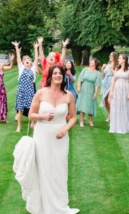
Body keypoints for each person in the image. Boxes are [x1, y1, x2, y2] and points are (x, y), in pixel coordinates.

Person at [27, 65, 79, 214]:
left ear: (63, 76)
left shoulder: (68, 95)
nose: (57, 76)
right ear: (50, 76)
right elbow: (31, 114)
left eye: (60, 74)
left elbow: (73, 117)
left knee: (59, 170)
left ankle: (60, 206)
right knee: (44, 169)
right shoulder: (41, 93)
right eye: (54, 73)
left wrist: (65, 128)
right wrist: (42, 116)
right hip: (42, 134)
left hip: (60, 137)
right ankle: (44, 206)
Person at [12, 41, 39, 132]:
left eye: (28, 59)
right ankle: (18, 127)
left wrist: (36, 48)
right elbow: (18, 57)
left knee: (32, 109)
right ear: (23, 62)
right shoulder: (21, 68)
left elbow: (36, 59)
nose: (27, 60)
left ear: (30, 62)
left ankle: (32, 123)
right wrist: (16, 47)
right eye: (25, 60)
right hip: (21, 92)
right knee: (20, 110)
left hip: (30, 92)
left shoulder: (33, 69)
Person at [109, 54, 129, 134]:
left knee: (123, 106)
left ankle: (124, 126)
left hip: (124, 90)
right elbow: (113, 80)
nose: (118, 59)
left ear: (124, 60)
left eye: (120, 58)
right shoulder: (117, 68)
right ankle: (116, 126)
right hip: (117, 90)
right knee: (116, 107)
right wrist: (111, 91)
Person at [77, 58, 102, 127]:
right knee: (82, 104)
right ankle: (81, 121)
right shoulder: (85, 69)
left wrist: (96, 93)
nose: (90, 62)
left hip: (91, 89)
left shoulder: (97, 73)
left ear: (95, 63)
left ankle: (90, 121)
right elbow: (80, 79)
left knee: (90, 105)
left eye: (92, 61)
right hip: (83, 89)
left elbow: (97, 84)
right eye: (90, 61)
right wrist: (79, 87)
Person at [99, 52, 118, 122]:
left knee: (110, 100)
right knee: (105, 100)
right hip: (106, 83)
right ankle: (110, 115)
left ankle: (113, 116)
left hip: (112, 82)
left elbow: (117, 75)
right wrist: (102, 69)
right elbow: (103, 76)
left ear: (115, 57)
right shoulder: (107, 64)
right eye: (110, 55)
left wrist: (112, 69)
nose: (110, 56)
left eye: (112, 56)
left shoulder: (117, 65)